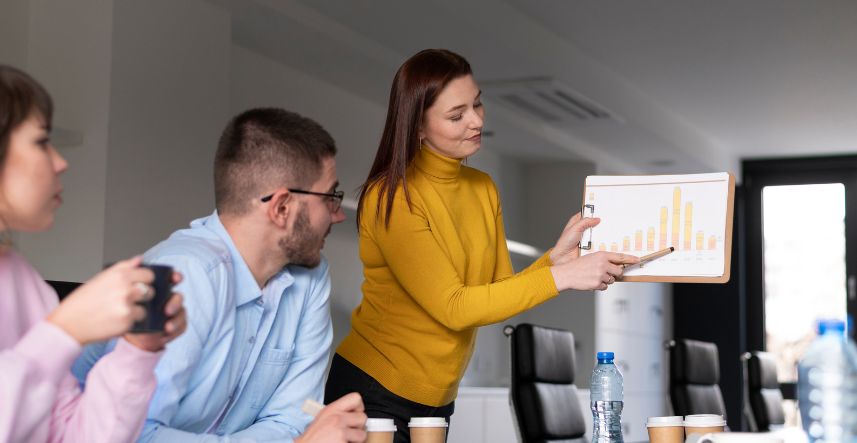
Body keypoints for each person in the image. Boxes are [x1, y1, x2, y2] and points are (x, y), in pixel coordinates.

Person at [324, 49, 640, 442]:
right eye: (457, 115)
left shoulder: (482, 188)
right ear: (417, 127)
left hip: (438, 398)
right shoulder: (392, 198)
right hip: (376, 391)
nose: (475, 120)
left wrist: (553, 260)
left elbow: (493, 293)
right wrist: (563, 277)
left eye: (477, 104)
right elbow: (454, 307)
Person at [73, 107, 367, 442]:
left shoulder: (311, 278)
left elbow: (291, 422)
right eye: (330, 197)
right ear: (281, 207)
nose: (337, 215)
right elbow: (136, 436)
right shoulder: (180, 276)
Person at [0, 65, 187, 442]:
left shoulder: (25, 282)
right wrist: (63, 332)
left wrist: (137, 351)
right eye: (41, 141)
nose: (61, 161)